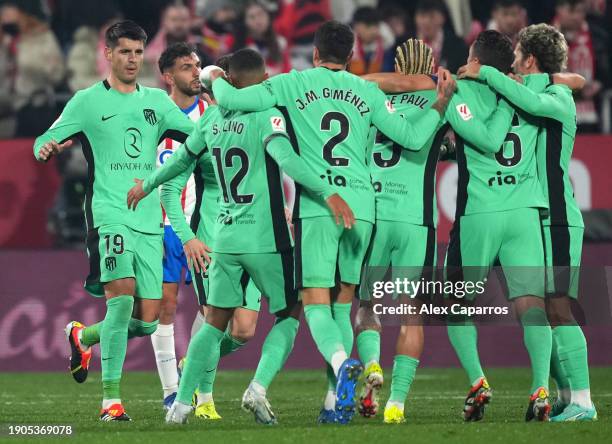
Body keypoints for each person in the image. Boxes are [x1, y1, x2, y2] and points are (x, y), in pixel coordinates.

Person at [207, 20, 456, 424]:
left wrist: (213, 77)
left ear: (316, 54)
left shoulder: (292, 82)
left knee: (314, 301)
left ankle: (342, 366)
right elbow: (411, 139)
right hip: (362, 207)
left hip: (320, 204)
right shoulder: (365, 90)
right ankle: (331, 404)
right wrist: (440, 105)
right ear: (351, 56)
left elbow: (234, 102)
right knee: (344, 303)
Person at [127, 47, 355, 425]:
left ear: (229, 82)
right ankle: (258, 387)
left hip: (225, 239)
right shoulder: (268, 116)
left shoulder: (211, 119)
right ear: (263, 82)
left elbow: (181, 161)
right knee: (290, 312)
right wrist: (326, 192)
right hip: (266, 239)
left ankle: (180, 408)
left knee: (215, 321)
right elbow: (288, 160)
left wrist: (145, 186)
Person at [33, 20, 196, 422]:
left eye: (139, 53)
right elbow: (44, 138)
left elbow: (198, 138)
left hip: (149, 220)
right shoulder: (87, 102)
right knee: (120, 303)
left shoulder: (158, 103)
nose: (132, 59)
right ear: (108, 54)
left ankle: (82, 336)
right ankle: (110, 403)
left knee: (146, 321)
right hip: (109, 215)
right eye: (125, 51)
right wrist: (45, 148)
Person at [459, 23, 597, 422]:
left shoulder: (556, 97)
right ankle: (565, 395)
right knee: (531, 313)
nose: (513, 61)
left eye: (518, 53)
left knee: (558, 308)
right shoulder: (538, 86)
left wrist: (485, 71)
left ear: (530, 59)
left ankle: (583, 402)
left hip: (556, 219)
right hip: (533, 216)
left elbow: (539, 99)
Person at [153, 43, 263, 420]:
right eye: (189, 67)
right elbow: (171, 182)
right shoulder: (192, 122)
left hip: (251, 232)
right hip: (206, 232)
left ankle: (192, 363)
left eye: (200, 67)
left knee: (244, 329)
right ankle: (202, 399)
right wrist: (188, 236)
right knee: (178, 311)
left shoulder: (237, 117)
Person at [1, 1, 65, 137]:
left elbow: (56, 74)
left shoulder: (43, 38)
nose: (4, 13)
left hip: (35, 105)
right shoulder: (7, 41)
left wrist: (25, 62)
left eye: (9, 9)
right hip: (7, 106)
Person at [554, 0, 609, 131]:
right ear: (559, 10)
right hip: (556, 110)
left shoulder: (598, 36)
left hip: (590, 112)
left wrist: (599, 84)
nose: (575, 16)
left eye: (580, 11)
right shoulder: (544, 37)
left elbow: (606, 72)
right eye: (571, 11)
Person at [229, 1, 290, 76]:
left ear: (268, 16)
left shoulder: (281, 42)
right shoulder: (234, 43)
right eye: (252, 17)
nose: (258, 21)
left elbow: (287, 73)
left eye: (261, 14)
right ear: (245, 22)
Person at [413, 0, 468, 74]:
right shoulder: (405, 44)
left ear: (442, 18)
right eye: (422, 16)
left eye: (431, 16)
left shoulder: (458, 45)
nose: (426, 21)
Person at [348, 7, 395, 75]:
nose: (373, 31)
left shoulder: (386, 49)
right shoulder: (346, 49)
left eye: (376, 26)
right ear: (356, 26)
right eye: (368, 26)